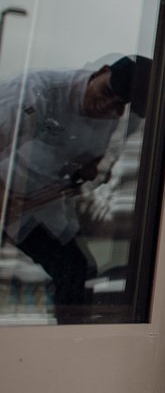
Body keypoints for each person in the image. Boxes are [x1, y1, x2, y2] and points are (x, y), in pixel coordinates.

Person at [0, 55, 151, 323]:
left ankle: (68, 338)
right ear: (101, 72)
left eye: (118, 105)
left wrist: (89, 172)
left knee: (76, 269)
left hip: (36, 209)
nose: (106, 106)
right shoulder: (37, 92)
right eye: (107, 92)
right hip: (5, 192)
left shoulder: (117, 124)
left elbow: (96, 173)